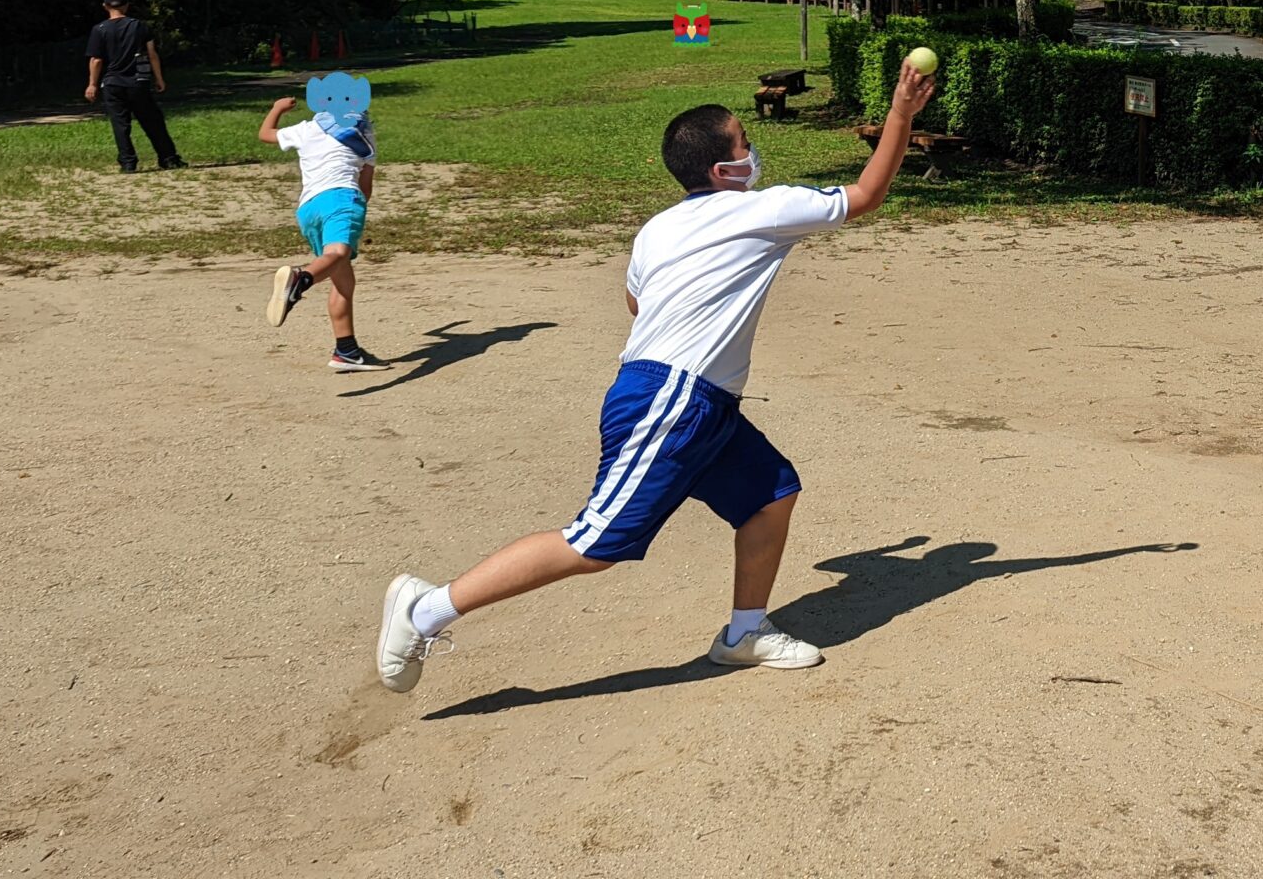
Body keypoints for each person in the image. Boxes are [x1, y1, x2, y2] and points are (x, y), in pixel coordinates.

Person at [373, 65, 936, 693]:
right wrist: (901, 114)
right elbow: (864, 195)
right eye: (746, 144)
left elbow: (636, 304)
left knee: (770, 493)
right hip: (673, 398)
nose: (754, 153)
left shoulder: (658, 228)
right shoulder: (764, 209)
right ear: (724, 171)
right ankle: (426, 608)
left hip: (691, 395)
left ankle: (744, 633)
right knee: (596, 543)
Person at [259, 90, 387, 372]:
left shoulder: (307, 129)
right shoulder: (364, 134)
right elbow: (366, 187)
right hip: (342, 199)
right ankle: (300, 280)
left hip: (308, 209)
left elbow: (266, 134)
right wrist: (356, 208)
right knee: (339, 252)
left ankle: (347, 351)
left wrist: (278, 107)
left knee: (343, 279)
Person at [83, 0, 183, 172]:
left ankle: (128, 162)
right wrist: (159, 78)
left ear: (105, 7)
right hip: (138, 81)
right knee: (153, 121)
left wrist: (92, 84)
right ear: (127, 5)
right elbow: (152, 53)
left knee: (120, 125)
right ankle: (168, 158)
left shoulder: (99, 29)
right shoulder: (139, 26)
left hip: (112, 83)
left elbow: (96, 60)